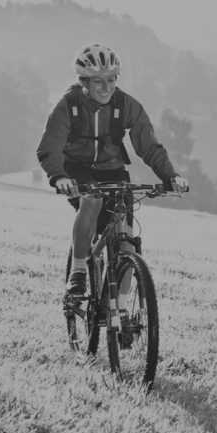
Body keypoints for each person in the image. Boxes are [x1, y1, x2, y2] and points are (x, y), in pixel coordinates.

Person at [37, 43, 189, 296]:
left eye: (111, 79)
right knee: (92, 200)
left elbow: (149, 146)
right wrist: (59, 176)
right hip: (76, 168)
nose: (107, 87)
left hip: (113, 169)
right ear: (84, 81)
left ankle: (121, 314)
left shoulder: (126, 104)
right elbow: (49, 148)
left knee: (127, 244)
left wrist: (170, 176)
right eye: (98, 81)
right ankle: (78, 272)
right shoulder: (68, 105)